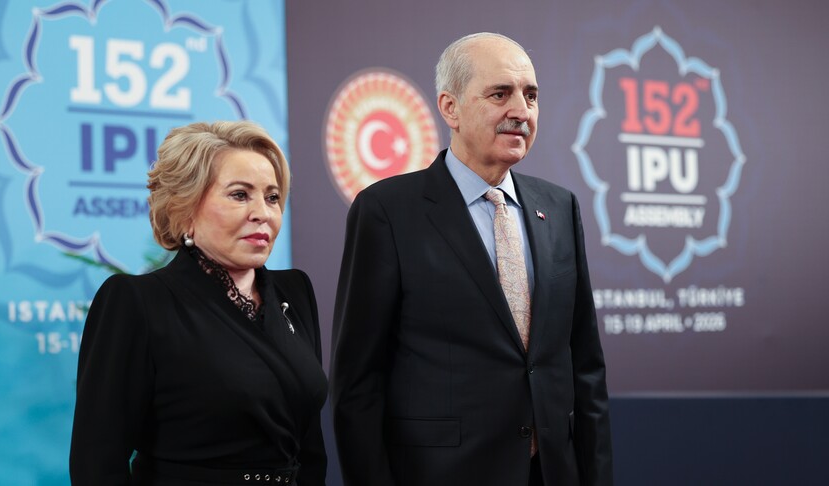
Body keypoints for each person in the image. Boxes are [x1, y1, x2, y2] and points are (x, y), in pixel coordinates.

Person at [330, 33, 613, 486]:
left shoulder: (560, 208)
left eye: (531, 96)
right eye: (500, 94)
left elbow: (586, 369)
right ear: (450, 108)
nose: (521, 111)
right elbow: (357, 383)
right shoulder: (386, 211)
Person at [70, 121, 327, 485]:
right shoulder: (137, 302)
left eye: (272, 197)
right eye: (240, 195)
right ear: (185, 211)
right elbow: (96, 463)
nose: (263, 213)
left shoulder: (295, 291)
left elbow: (310, 446)